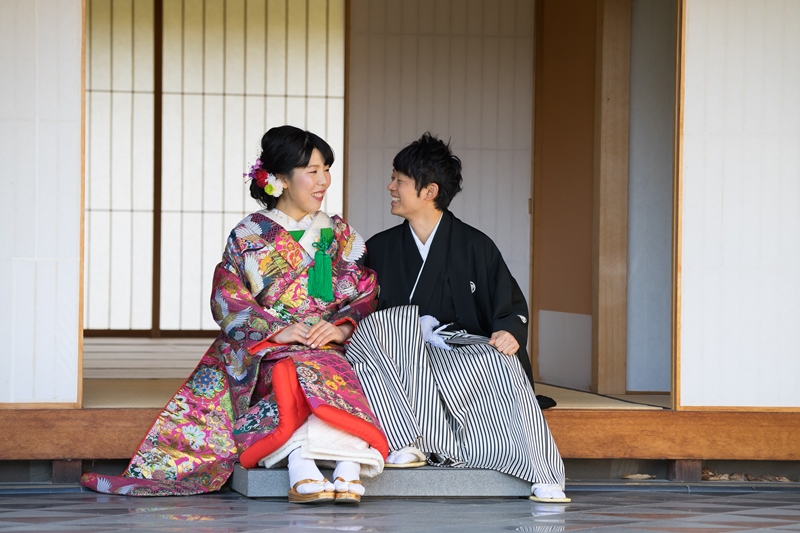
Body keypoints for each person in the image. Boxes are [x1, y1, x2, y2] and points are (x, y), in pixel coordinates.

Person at [81, 126, 388, 504]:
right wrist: (277, 330)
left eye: (326, 169)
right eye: (312, 171)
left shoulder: (338, 233)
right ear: (280, 179)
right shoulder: (249, 234)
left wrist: (339, 328)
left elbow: (365, 290)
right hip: (269, 348)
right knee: (293, 375)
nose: (323, 180)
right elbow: (227, 295)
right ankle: (327, 465)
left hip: (327, 343)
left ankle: (326, 466)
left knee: (326, 369)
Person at [344, 133, 569, 503]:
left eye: (399, 180)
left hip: (456, 352)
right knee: (372, 341)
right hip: (397, 358)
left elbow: (509, 306)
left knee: (503, 364)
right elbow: (358, 309)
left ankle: (539, 470)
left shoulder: (475, 245)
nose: (390, 187)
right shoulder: (380, 248)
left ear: (429, 191)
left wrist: (509, 331)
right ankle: (406, 442)